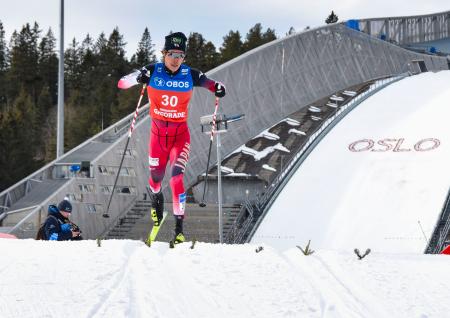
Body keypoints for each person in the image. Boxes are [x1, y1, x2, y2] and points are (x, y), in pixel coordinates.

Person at [136, 32, 226, 244]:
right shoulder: (153, 70)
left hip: (179, 137)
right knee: (156, 180)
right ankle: (156, 199)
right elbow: (124, 82)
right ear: (164, 54)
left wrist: (219, 89)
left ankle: (179, 230)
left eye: (180, 55)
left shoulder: (190, 74)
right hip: (157, 139)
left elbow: (213, 84)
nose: (176, 59)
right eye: (172, 54)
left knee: (177, 178)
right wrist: (138, 77)